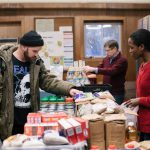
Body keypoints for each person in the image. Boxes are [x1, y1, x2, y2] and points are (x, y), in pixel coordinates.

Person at [0, 30, 81, 140]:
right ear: (23, 47)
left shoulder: (36, 62)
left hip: (31, 121)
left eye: (38, 51)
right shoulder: (4, 61)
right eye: (34, 51)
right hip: (8, 121)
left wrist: (69, 89)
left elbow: (47, 80)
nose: (36, 54)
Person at [83, 40, 128, 104]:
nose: (106, 53)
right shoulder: (106, 59)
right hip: (106, 91)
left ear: (115, 49)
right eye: (105, 51)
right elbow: (99, 68)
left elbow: (112, 71)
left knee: (115, 111)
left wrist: (92, 69)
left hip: (116, 93)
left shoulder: (122, 60)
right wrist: (87, 69)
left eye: (108, 50)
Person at [125, 29, 150, 141]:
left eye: (132, 47)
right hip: (143, 123)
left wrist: (139, 100)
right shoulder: (142, 65)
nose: (130, 51)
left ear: (141, 47)